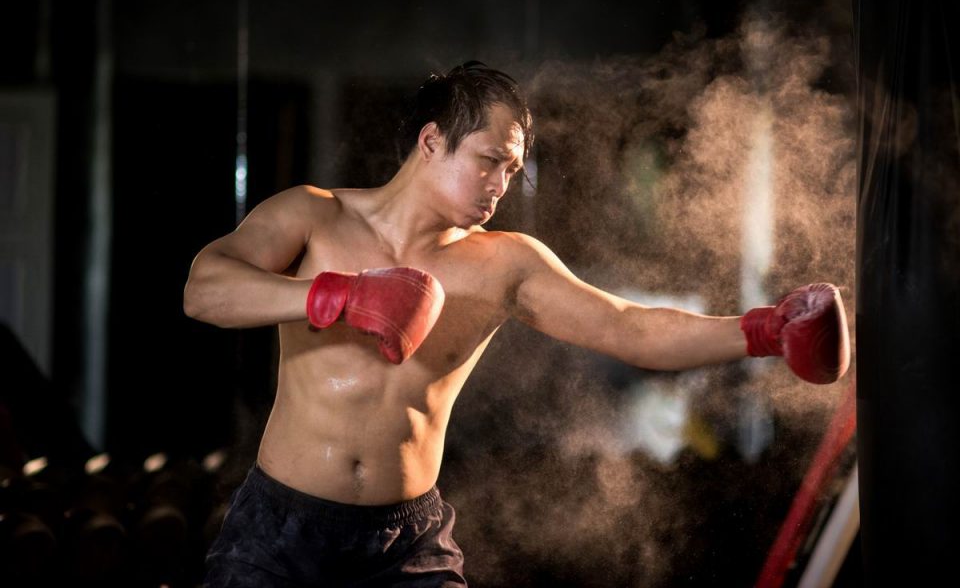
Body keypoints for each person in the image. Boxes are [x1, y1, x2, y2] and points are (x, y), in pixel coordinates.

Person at [184, 62, 850, 587]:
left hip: (403, 544)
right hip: (280, 528)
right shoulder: (315, 217)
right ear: (430, 141)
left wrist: (763, 331)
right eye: (488, 159)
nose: (501, 182)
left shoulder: (503, 263)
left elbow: (629, 328)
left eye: (512, 167)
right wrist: (335, 295)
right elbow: (205, 289)